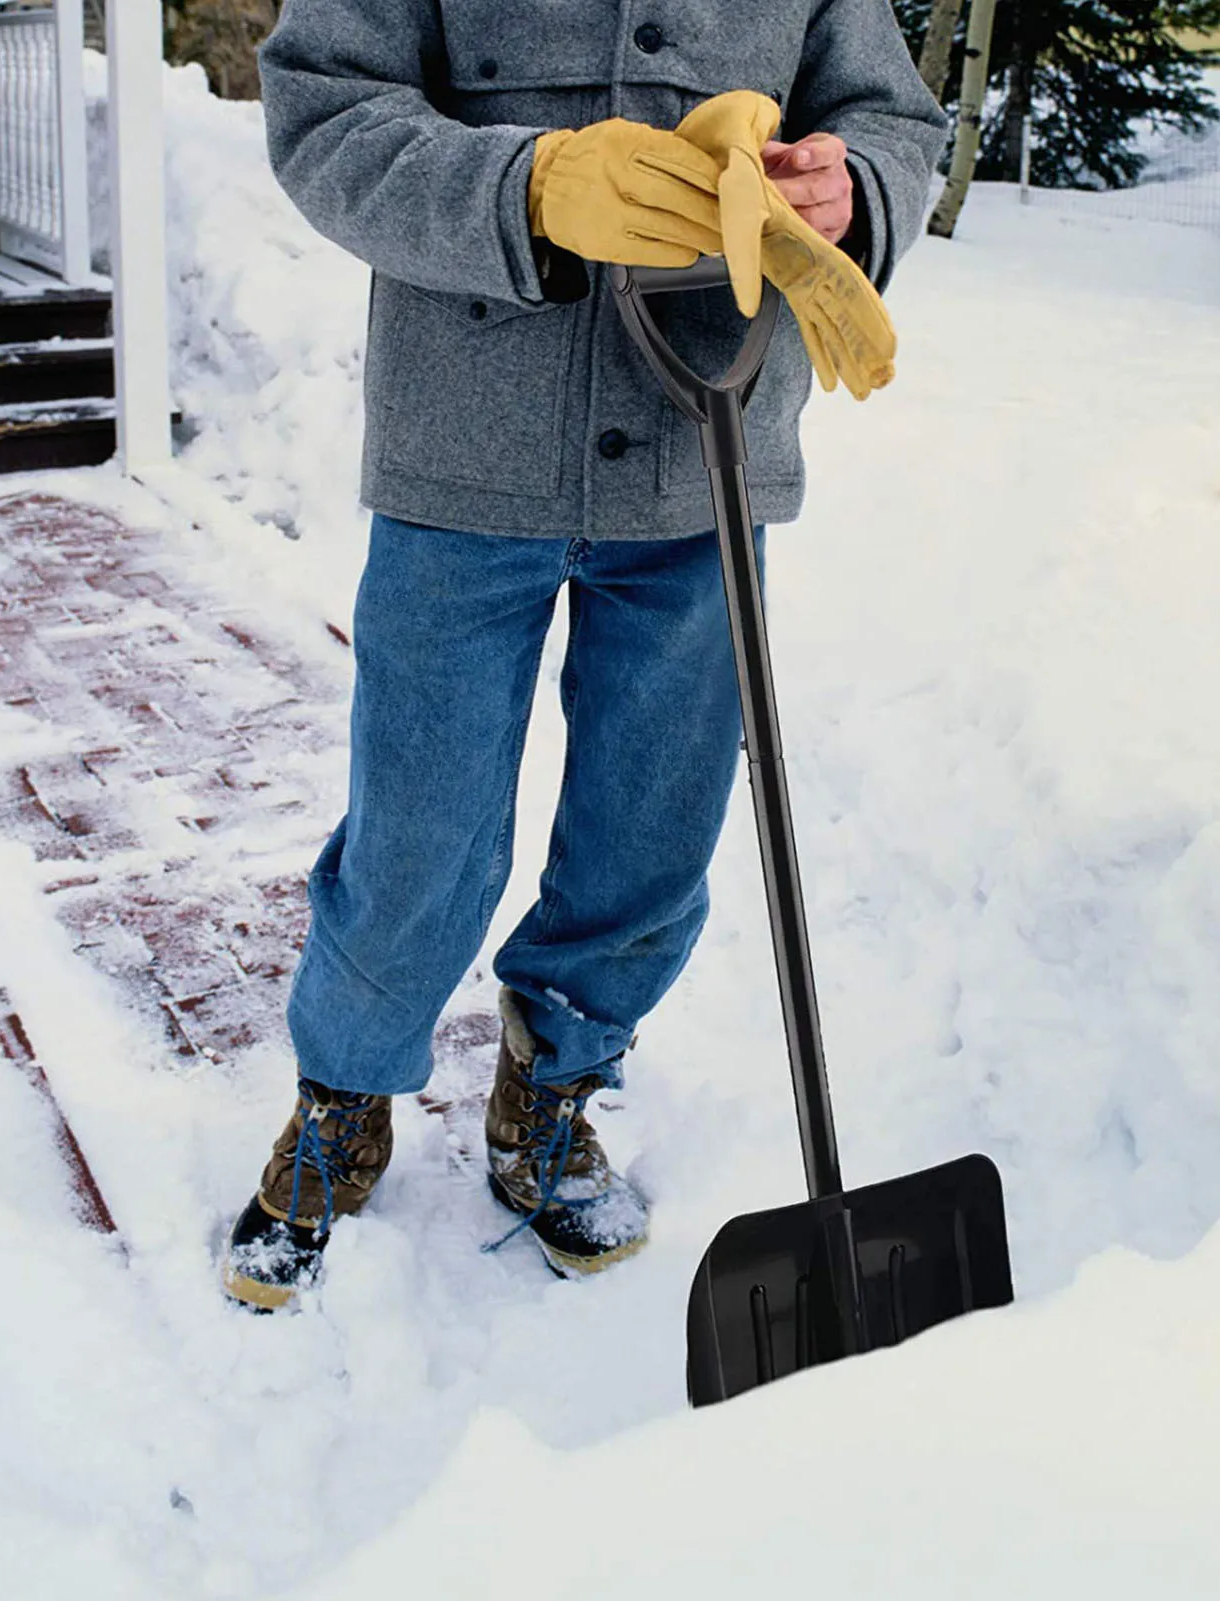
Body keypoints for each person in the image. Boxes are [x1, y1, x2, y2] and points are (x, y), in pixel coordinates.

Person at [221, 0, 948, 1309]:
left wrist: (853, 191)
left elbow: (891, 118)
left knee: (652, 830)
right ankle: (345, 1093)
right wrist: (531, 185)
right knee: (422, 831)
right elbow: (327, 110)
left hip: (704, 450)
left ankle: (551, 1089)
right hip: (464, 457)